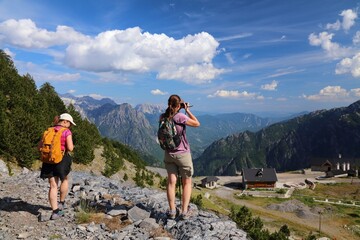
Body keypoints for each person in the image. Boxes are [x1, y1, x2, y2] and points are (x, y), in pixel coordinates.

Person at [161, 94, 200, 220]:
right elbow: (197, 123)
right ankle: (184, 211)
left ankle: (172, 210)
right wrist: (187, 110)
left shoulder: (163, 117)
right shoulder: (180, 116)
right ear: (179, 105)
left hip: (169, 154)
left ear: (168, 104)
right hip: (182, 154)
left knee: (171, 182)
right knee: (187, 182)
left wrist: (177, 107)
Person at [39, 113, 76, 220]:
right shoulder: (66, 131)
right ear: (65, 122)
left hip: (48, 160)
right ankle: (61, 203)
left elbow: (39, 147)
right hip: (62, 159)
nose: (70, 125)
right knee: (64, 179)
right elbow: (70, 148)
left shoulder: (48, 131)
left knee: (53, 186)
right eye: (69, 123)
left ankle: (55, 212)